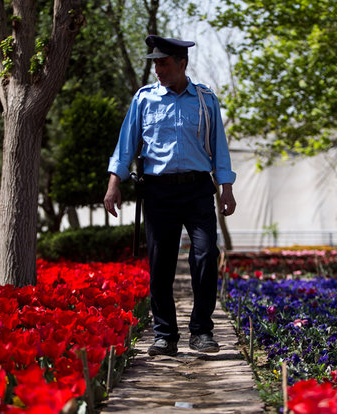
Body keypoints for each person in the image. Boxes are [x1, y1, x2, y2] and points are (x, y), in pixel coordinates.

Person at [103, 34, 236, 356]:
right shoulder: (144, 99)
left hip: (198, 190)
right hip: (158, 191)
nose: (158, 70)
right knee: (160, 263)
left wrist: (226, 187)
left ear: (182, 64)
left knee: (206, 255)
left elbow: (219, 146)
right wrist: (113, 184)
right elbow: (126, 144)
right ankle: (165, 335)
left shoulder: (205, 100)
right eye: (155, 64)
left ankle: (202, 332)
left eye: (163, 63)